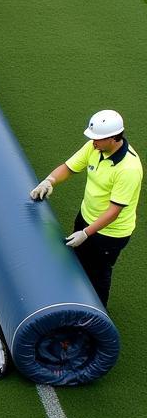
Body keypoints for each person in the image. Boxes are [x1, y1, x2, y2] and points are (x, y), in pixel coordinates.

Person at [30, 109, 141, 306]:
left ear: (114, 138)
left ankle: (95, 317)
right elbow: (69, 167)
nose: (93, 142)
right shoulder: (95, 147)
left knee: (97, 274)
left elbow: (114, 212)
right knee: (77, 260)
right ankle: (71, 300)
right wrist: (49, 181)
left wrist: (86, 233)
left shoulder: (129, 169)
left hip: (110, 234)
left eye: (98, 139)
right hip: (86, 217)